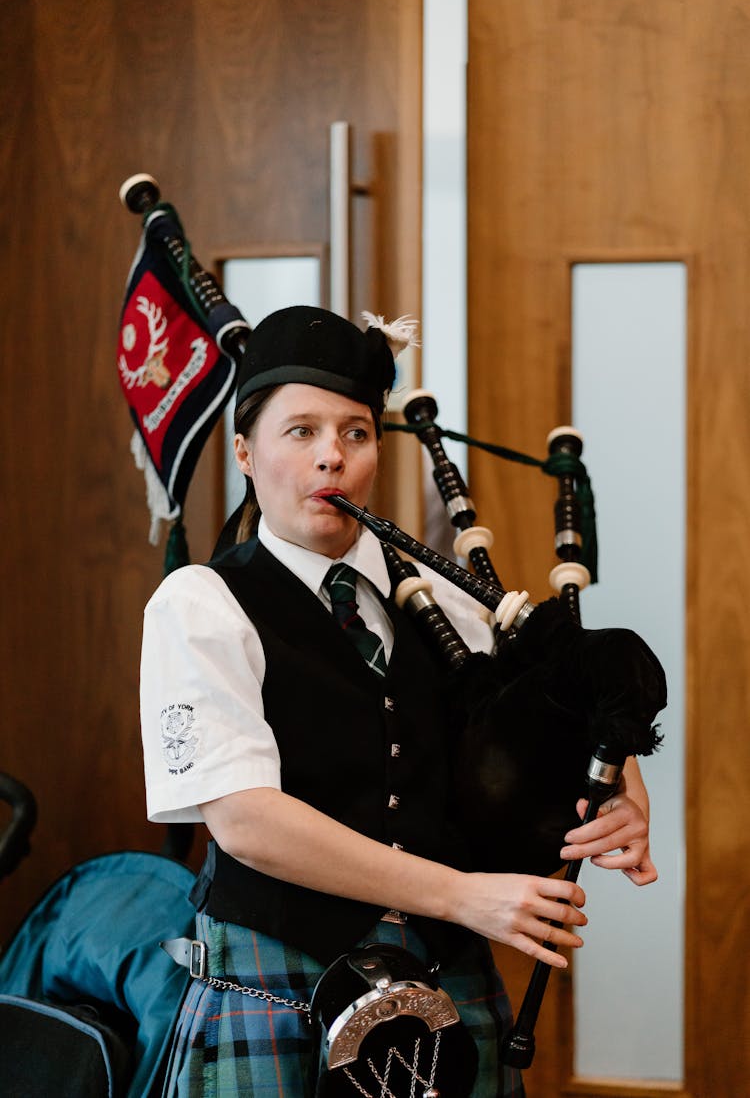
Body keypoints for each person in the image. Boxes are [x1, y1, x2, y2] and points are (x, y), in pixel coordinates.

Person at [140, 306, 659, 1097]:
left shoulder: (441, 604)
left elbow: (534, 731)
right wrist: (461, 893)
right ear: (245, 451)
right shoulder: (203, 604)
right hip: (278, 997)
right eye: (301, 432)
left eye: (355, 433)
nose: (332, 460)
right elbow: (245, 820)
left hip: (446, 993)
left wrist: (618, 784)